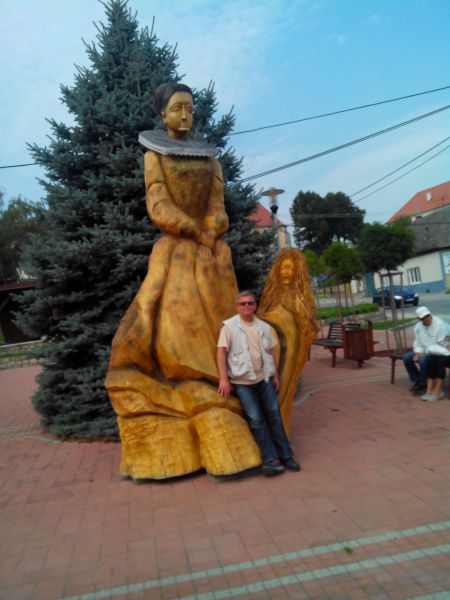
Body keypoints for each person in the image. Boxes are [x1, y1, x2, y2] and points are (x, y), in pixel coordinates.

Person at [106, 83, 262, 479]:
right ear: (163, 115)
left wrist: (212, 228)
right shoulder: (154, 155)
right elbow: (157, 203)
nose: (185, 114)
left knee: (220, 283)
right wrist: (192, 230)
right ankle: (188, 373)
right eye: (177, 108)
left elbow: (217, 202)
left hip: (211, 244)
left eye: (189, 108)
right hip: (177, 243)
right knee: (164, 301)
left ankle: (228, 371)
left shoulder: (209, 158)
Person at [216, 290, 301, 476]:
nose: (247, 306)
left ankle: (287, 456)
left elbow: (270, 353)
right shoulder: (229, 327)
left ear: (255, 306)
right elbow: (221, 352)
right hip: (242, 382)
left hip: (264, 379)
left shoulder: (264, 327)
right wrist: (223, 378)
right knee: (256, 419)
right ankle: (270, 459)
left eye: (250, 303)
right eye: (243, 303)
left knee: (275, 416)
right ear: (237, 307)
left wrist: (275, 376)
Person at [258, 248, 318, 430]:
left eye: (291, 268)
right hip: (274, 351)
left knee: (287, 387)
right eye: (284, 267)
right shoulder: (271, 295)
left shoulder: (301, 298)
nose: (287, 272)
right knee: (271, 388)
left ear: (297, 272)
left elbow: (307, 326)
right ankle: (273, 428)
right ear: (277, 269)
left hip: (293, 350)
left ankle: (282, 428)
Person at [403, 306, 450, 396]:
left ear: (430, 314)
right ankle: (418, 380)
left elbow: (443, 342)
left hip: (438, 350)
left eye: (427, 316)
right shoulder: (418, 327)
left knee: (423, 360)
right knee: (407, 357)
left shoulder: (440, 324)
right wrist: (417, 353)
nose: (426, 319)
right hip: (425, 349)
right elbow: (417, 341)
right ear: (419, 319)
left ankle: (423, 384)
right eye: (423, 318)